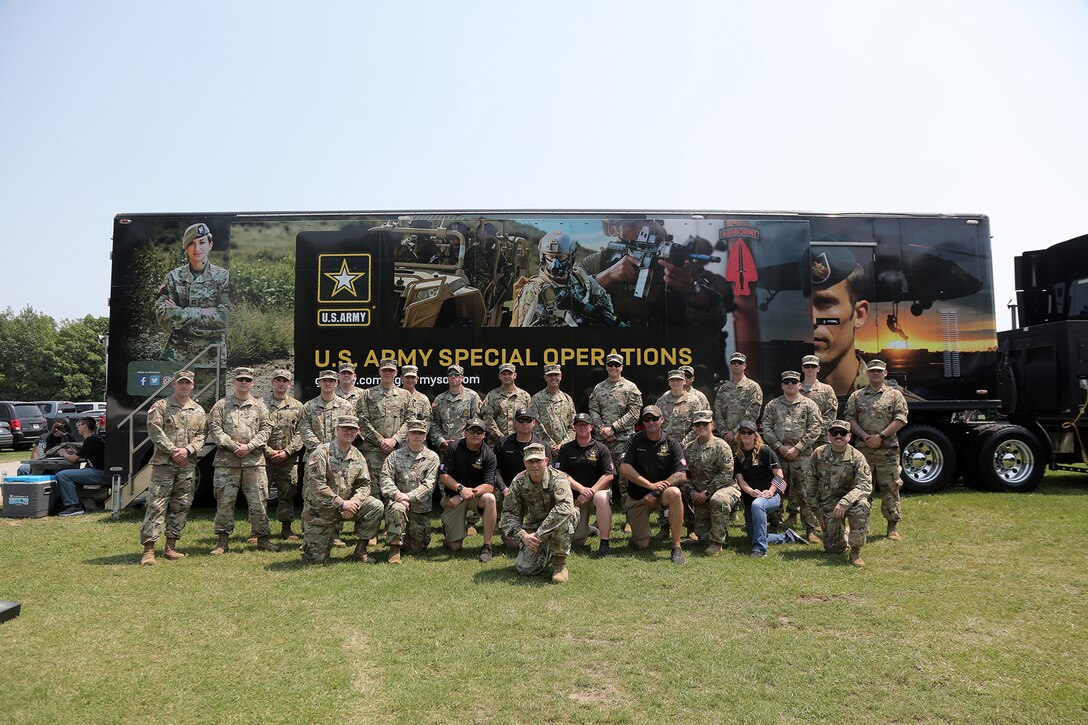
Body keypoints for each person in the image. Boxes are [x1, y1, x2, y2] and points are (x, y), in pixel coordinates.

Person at [576, 217, 725, 328]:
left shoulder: (675, 263)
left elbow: (717, 319)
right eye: (633, 224)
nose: (641, 229)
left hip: (663, 351)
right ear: (612, 229)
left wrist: (692, 289)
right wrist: (607, 276)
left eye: (648, 222)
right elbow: (567, 303)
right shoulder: (596, 263)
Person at [139, 370, 207, 565]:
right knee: (156, 505)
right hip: (164, 465)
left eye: (188, 383)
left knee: (181, 505)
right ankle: (149, 550)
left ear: (193, 386)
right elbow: (155, 431)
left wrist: (187, 450)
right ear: (174, 384)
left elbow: (202, 435)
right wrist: (174, 451)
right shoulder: (161, 406)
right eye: (181, 383)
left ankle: (170, 546)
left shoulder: (199, 411)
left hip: (186, 465)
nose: (184, 386)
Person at [207, 367, 276, 554]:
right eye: (240, 379)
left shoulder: (260, 406)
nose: (244, 382)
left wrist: (250, 446)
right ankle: (222, 541)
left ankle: (262, 538)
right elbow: (214, 428)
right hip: (227, 462)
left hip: (253, 462)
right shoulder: (221, 406)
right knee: (224, 501)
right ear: (234, 382)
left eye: (247, 379)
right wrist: (233, 446)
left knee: (259, 501)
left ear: (252, 383)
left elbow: (266, 429)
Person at [300, 415, 384, 565]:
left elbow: (364, 484)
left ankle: (361, 550)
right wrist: (341, 503)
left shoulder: (358, 456)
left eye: (353, 430)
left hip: (348, 505)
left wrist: (354, 502)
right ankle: (319, 541)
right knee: (315, 561)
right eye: (345, 429)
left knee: (376, 506)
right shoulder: (321, 453)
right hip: (321, 510)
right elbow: (316, 485)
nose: (349, 433)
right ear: (337, 430)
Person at [844, 359, 909, 541]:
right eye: (872, 371)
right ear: (867, 373)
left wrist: (880, 436)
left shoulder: (895, 395)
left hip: (887, 450)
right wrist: (865, 436)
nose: (875, 374)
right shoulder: (856, 396)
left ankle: (892, 526)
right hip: (863, 451)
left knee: (891, 487)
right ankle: (862, 526)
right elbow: (850, 418)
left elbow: (901, 419)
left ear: (885, 373)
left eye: (879, 371)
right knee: (863, 489)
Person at [618, 405, 689, 564]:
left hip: (660, 495)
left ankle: (676, 547)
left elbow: (681, 474)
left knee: (675, 493)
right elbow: (623, 468)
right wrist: (650, 485)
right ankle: (640, 533)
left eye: (655, 418)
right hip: (638, 498)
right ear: (642, 422)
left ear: (662, 420)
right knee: (641, 545)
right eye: (647, 419)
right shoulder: (634, 440)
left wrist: (656, 491)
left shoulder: (671, 443)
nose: (651, 422)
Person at [760, 370, 824, 544]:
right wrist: (779, 447)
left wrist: (798, 447)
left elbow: (816, 428)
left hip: (802, 457)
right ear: (782, 385)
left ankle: (810, 528)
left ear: (800, 385)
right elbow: (766, 427)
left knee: (805, 492)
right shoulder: (772, 405)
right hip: (778, 458)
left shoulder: (809, 405)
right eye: (787, 382)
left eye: (793, 382)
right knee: (776, 490)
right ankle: (773, 524)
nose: (790, 385)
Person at [500, 443, 576, 583]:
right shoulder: (518, 481)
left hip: (558, 523)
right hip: (534, 525)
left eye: (538, 461)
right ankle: (545, 549)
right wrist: (523, 536)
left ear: (546, 461)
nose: (534, 465)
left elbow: (564, 508)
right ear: (524, 463)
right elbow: (507, 514)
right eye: (530, 461)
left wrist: (539, 534)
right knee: (525, 569)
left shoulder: (559, 478)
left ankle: (559, 563)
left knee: (568, 515)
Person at [155, 222, 229, 365]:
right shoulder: (173, 277)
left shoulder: (223, 277)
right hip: (176, 357)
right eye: (191, 244)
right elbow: (163, 316)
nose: (197, 248)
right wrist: (206, 312)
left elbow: (225, 319)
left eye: (202, 242)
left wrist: (181, 313)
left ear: (210, 245)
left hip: (212, 358)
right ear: (185, 248)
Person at [511, 230, 618, 327]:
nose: (555, 264)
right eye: (550, 257)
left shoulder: (585, 282)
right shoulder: (534, 290)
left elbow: (606, 307)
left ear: (571, 258)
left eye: (561, 257)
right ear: (543, 257)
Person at [733, 420, 807, 557]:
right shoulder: (738, 456)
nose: (746, 435)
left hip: (771, 497)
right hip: (751, 498)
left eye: (749, 432)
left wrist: (771, 491)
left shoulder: (765, 451)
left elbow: (779, 475)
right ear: (739, 435)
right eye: (743, 432)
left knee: (757, 505)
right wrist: (750, 491)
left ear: (755, 435)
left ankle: (760, 550)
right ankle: (788, 537)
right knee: (753, 536)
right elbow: (740, 479)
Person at [804, 419, 873, 567]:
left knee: (862, 507)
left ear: (849, 437)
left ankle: (855, 552)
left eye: (842, 433)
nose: (838, 436)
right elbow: (810, 485)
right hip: (828, 503)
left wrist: (845, 502)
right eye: (834, 433)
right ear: (829, 436)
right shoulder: (819, 454)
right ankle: (845, 533)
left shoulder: (857, 457)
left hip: (852, 501)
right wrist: (818, 512)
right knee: (834, 550)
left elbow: (865, 485)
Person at [300, 369, 354, 547]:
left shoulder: (345, 406)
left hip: (337, 459)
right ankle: (308, 533)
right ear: (319, 383)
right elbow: (305, 429)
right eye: (324, 381)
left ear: (336, 383)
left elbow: (349, 430)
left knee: (336, 494)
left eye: (331, 381)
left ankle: (335, 534)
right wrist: (320, 448)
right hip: (314, 457)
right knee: (311, 494)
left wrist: (334, 449)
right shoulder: (309, 406)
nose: (328, 384)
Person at [808, 246, 870, 396]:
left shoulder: (897, 404)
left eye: (825, 303)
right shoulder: (772, 404)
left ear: (859, 315)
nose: (812, 319)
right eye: (802, 308)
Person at [438, 417, 501, 561]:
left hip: (475, 497)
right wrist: (460, 489)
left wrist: (462, 495)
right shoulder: (453, 447)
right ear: (465, 432)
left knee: (490, 499)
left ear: (484, 435)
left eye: (479, 432)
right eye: (472, 430)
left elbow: (489, 486)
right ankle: (448, 533)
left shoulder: (489, 455)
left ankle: (487, 546)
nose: (475, 434)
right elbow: (443, 475)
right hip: (453, 497)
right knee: (454, 547)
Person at [554, 413, 615, 557]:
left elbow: (609, 474)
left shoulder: (601, 448)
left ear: (591, 427)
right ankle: (590, 529)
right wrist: (581, 490)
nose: (582, 427)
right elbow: (560, 474)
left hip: (595, 494)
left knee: (601, 497)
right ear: (574, 428)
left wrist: (591, 491)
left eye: (585, 424)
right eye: (578, 425)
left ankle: (604, 543)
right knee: (579, 541)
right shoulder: (566, 449)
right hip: (576, 496)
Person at [380, 419, 440, 563]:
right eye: (414, 433)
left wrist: (407, 497)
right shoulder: (395, 456)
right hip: (398, 502)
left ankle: (404, 537)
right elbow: (385, 477)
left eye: (421, 433)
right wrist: (396, 494)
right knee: (397, 509)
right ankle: (394, 549)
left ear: (425, 436)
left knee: (417, 548)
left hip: (420, 508)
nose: (417, 436)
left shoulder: (432, 457)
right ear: (407, 434)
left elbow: (429, 485)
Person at [682, 410, 739, 555]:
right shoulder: (688, 448)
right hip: (699, 493)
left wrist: (706, 493)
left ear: (712, 425)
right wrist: (692, 492)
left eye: (705, 424)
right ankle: (707, 537)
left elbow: (726, 474)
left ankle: (717, 543)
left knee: (718, 501)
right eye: (698, 424)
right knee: (703, 537)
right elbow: (684, 475)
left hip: (724, 488)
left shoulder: (721, 446)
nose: (701, 427)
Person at [355, 358, 412, 498]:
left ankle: (394, 518)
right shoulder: (367, 394)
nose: (388, 373)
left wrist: (394, 440)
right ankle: (372, 519)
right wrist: (381, 441)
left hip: (398, 450)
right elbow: (362, 421)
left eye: (391, 370)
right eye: (385, 370)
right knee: (372, 491)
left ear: (396, 373)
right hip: (373, 450)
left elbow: (410, 420)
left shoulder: (405, 395)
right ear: (379, 372)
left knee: (397, 489)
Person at [588, 353, 643, 493]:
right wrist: (603, 430)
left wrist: (613, 429)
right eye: (610, 365)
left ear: (622, 367)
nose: (614, 367)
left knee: (626, 479)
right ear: (606, 367)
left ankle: (629, 510)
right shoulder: (598, 388)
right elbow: (593, 411)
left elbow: (634, 413)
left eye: (617, 365)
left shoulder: (631, 388)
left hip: (624, 441)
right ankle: (605, 510)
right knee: (604, 478)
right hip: (602, 440)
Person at [263, 368, 305, 542]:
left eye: (285, 381)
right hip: (264, 456)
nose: (281, 384)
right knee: (260, 494)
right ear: (272, 382)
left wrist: (287, 451)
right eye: (278, 380)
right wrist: (269, 451)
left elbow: (301, 432)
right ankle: (257, 530)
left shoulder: (297, 406)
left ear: (289, 384)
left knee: (287, 493)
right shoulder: (261, 405)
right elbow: (255, 430)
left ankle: (286, 529)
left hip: (289, 458)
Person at [54, 417, 106, 517]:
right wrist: (73, 453)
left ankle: (74, 506)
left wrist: (63, 453)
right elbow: (81, 455)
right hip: (97, 471)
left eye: (79, 425)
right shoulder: (94, 439)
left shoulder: (92, 439)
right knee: (67, 474)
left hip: (98, 473)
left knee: (62, 475)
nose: (77, 428)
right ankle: (65, 503)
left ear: (85, 426)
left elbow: (74, 459)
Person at [429, 364, 482, 453]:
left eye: (456, 374)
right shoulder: (440, 399)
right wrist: (441, 441)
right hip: (445, 449)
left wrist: (467, 440)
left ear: (462, 378)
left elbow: (476, 422)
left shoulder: (472, 397)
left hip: (466, 448)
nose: (453, 377)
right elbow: (434, 423)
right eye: (450, 375)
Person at [713, 352, 764, 443]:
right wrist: (724, 432)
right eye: (734, 363)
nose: (736, 365)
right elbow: (717, 413)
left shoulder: (753, 387)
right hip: (725, 439)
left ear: (745, 366)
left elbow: (752, 414)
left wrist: (735, 432)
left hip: (744, 437)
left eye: (740, 363)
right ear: (730, 365)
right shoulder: (723, 389)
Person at [530, 364, 576, 458]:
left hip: (565, 449)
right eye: (550, 375)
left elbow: (573, 425)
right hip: (544, 450)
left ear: (561, 376)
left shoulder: (567, 399)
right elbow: (535, 425)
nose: (553, 378)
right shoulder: (537, 399)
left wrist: (563, 445)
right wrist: (551, 446)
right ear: (545, 377)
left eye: (556, 375)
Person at [481, 363, 532, 447]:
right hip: (497, 444)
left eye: (510, 374)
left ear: (515, 375)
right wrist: (501, 438)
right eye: (504, 374)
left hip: (520, 443)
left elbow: (529, 419)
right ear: (499, 376)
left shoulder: (525, 396)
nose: (507, 376)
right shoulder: (491, 395)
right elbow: (487, 419)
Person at [799, 354, 839, 444]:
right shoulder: (796, 390)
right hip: (799, 439)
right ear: (802, 368)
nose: (810, 369)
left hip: (820, 439)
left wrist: (813, 432)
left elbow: (831, 414)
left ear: (818, 368)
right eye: (807, 366)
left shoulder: (826, 390)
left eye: (813, 366)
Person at [657, 369, 697, 442]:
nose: (675, 382)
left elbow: (697, 425)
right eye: (672, 380)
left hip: (686, 445)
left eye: (678, 380)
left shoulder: (694, 401)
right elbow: (656, 424)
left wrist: (684, 442)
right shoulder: (661, 401)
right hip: (665, 444)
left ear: (684, 381)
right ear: (669, 382)